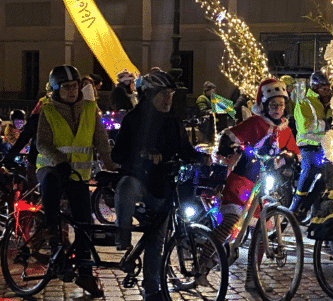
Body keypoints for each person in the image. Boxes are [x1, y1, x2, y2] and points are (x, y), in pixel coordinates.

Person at [111, 70, 209, 301]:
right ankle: (122, 234)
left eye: (171, 94)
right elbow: (118, 153)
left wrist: (200, 157)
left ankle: (152, 289)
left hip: (162, 184)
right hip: (139, 178)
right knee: (126, 187)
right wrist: (143, 155)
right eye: (163, 94)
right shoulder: (134, 119)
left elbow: (183, 148)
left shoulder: (173, 120)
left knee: (157, 240)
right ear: (150, 95)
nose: (168, 99)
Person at [36, 65, 118, 298]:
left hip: (78, 176)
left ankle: (85, 273)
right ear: (56, 89)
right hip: (51, 168)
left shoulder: (90, 109)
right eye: (66, 87)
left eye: (74, 86)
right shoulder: (48, 109)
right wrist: (59, 161)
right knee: (51, 184)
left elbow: (101, 142)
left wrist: (112, 166)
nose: (72, 91)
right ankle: (54, 246)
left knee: (84, 223)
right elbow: (42, 143)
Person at [213, 78, 300, 289]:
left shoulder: (285, 129)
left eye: (281, 105)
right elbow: (230, 136)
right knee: (231, 219)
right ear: (264, 105)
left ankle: (253, 279)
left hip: (261, 184)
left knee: (261, 230)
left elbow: (294, 151)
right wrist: (233, 147)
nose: (278, 109)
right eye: (273, 105)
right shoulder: (255, 123)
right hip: (243, 178)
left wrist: (288, 157)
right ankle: (207, 259)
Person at [288, 71, 332, 223]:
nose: (327, 92)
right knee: (310, 170)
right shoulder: (304, 103)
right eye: (323, 89)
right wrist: (326, 124)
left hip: (325, 148)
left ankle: (312, 211)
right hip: (307, 146)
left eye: (328, 89)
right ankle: (295, 205)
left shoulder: (330, 105)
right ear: (314, 87)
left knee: (329, 177)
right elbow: (305, 126)